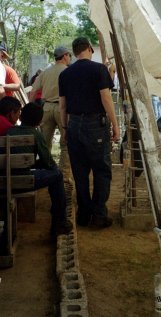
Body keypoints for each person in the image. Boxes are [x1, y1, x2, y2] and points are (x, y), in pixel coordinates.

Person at [59, 37, 120, 229]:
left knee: (80, 172)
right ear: (90, 49)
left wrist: (65, 128)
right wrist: (116, 125)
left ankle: (84, 215)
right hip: (95, 124)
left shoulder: (65, 74)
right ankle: (99, 215)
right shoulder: (99, 69)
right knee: (101, 170)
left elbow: (62, 105)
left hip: (74, 123)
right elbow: (106, 98)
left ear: (75, 52)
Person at [0, 98, 72, 236]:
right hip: (23, 182)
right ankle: (59, 222)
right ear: (39, 122)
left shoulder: (9, 132)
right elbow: (49, 163)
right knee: (57, 175)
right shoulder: (35, 134)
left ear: (21, 117)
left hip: (4, 180)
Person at [29, 46, 71, 168]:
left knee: (44, 144)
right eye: (69, 55)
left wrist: (31, 108)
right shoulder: (68, 71)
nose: (69, 58)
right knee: (66, 144)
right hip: (63, 109)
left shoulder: (45, 72)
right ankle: (65, 175)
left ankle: (46, 173)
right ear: (64, 56)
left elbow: (33, 91)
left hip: (46, 108)